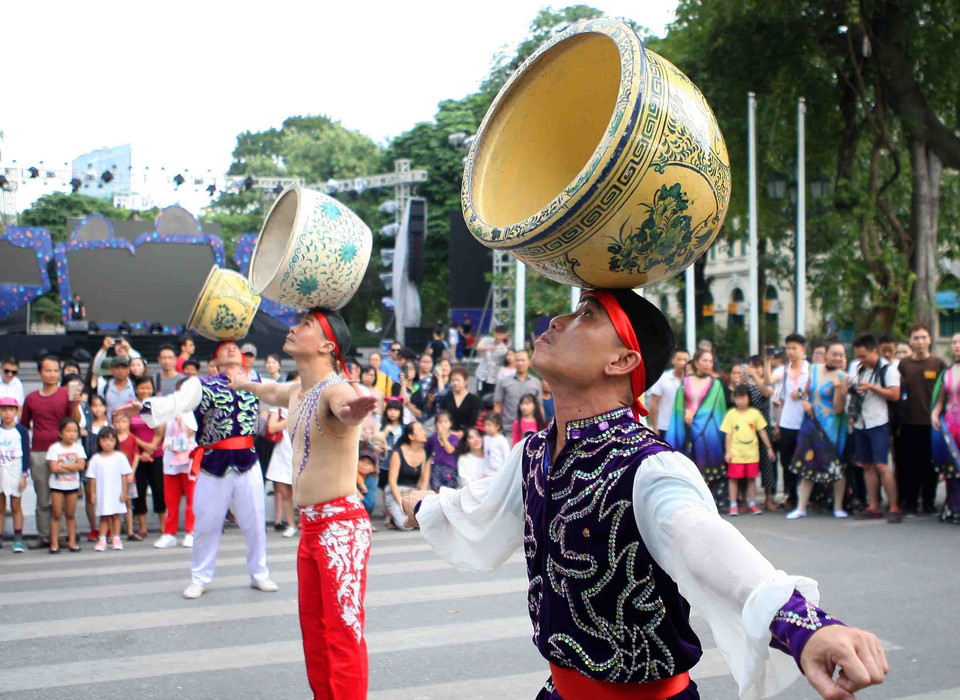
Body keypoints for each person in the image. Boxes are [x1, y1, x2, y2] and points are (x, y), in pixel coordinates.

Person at [403, 289, 888, 700]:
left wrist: (805, 625)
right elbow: (481, 506)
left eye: (587, 315)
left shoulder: (650, 467)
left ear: (622, 360)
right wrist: (420, 505)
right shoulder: (533, 452)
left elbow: (707, 544)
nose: (557, 319)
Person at [229, 308, 377, 698]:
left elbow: (344, 408)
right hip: (311, 527)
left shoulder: (335, 390)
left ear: (327, 345)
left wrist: (354, 410)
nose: (293, 328)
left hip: (341, 528)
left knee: (343, 632)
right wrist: (242, 381)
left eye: (305, 325)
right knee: (315, 631)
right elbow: (268, 391)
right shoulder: (298, 390)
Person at [118, 340, 277, 599]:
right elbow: (176, 403)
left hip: (248, 459)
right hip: (213, 460)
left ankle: (260, 573)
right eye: (225, 347)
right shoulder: (201, 384)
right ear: (215, 359)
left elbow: (279, 394)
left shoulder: (255, 380)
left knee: (256, 521)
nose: (231, 349)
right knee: (207, 522)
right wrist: (146, 407)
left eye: (235, 346)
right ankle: (200, 576)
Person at [20, 354, 82, 549]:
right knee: (43, 496)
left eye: (56, 370)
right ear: (40, 373)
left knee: (64, 494)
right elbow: (23, 426)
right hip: (38, 451)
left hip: (64, 450)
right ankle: (45, 536)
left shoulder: (66, 394)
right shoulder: (31, 399)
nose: (52, 374)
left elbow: (76, 421)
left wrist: (77, 404)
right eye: (48, 370)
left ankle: (62, 535)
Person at [786, 342, 850, 520]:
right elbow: (805, 393)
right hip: (813, 424)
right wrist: (804, 401)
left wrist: (838, 388)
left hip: (833, 426)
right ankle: (801, 507)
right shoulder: (814, 370)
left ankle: (838, 507)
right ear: (826, 354)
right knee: (809, 465)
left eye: (841, 355)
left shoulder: (844, 377)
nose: (837, 358)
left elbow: (838, 408)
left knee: (836, 466)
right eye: (834, 354)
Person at [849, 334, 902, 523]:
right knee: (867, 466)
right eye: (857, 356)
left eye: (863, 356)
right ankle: (873, 506)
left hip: (879, 422)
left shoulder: (888, 370)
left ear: (874, 351)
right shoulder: (861, 370)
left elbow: (895, 394)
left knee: (882, 465)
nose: (860, 360)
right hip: (861, 422)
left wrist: (872, 388)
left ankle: (894, 507)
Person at [666, 348, 727, 507]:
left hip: (709, 433)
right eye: (705, 360)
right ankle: (691, 502)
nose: (708, 364)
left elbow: (719, 413)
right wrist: (686, 413)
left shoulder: (716, 384)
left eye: (710, 361)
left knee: (708, 465)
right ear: (696, 362)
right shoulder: (686, 382)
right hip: (687, 429)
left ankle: (710, 502)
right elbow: (678, 407)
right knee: (690, 465)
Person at [897, 323, 946, 517]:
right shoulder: (904, 365)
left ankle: (928, 502)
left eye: (924, 337)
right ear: (910, 341)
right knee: (909, 465)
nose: (920, 342)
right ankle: (909, 502)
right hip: (908, 423)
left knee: (930, 466)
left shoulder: (938, 364)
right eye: (916, 338)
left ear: (930, 339)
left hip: (932, 424)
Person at [154, 379, 198, 549]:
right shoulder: (168, 409)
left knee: (191, 500)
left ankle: (191, 532)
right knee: (171, 501)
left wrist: (180, 415)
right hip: (170, 460)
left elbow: (191, 430)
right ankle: (169, 533)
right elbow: (159, 431)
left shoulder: (193, 410)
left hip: (189, 460)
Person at [721, 385, 775, 516]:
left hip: (752, 454)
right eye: (737, 398)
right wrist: (728, 452)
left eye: (742, 398)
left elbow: (762, 431)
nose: (740, 401)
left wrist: (769, 448)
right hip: (736, 454)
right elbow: (728, 434)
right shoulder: (730, 414)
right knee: (733, 479)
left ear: (748, 398)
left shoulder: (755, 413)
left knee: (752, 479)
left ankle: (752, 503)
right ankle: (733, 504)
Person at [773, 333, 811, 510]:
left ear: (803, 349)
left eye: (794, 348)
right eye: (788, 348)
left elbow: (815, 394)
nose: (790, 351)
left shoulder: (811, 370)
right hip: (787, 422)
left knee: (805, 460)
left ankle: (808, 497)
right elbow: (769, 383)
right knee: (786, 461)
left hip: (805, 422)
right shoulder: (783, 371)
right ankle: (791, 496)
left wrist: (802, 395)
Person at [129, 376, 165, 538]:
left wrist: (150, 448)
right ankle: (142, 527)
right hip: (137, 456)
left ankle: (164, 525)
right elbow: (125, 430)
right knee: (140, 491)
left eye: (148, 388)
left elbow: (161, 428)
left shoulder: (158, 405)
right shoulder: (129, 407)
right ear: (136, 389)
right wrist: (143, 447)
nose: (145, 391)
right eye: (142, 388)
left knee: (159, 490)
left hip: (157, 453)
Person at [86, 427, 132, 552]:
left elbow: (124, 475)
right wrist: (92, 493)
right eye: (105, 440)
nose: (108, 443)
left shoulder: (120, 457)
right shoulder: (96, 459)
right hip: (102, 492)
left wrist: (124, 492)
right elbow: (92, 477)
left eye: (111, 440)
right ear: (99, 442)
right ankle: (102, 539)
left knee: (116, 515)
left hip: (116, 491)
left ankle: (116, 538)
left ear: (115, 442)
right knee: (104, 516)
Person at [930, 331, 960, 525]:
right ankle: (952, 507)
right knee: (951, 468)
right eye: (954, 342)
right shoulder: (947, 372)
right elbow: (940, 400)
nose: (957, 345)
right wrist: (934, 414)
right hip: (951, 425)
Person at [46, 417, 86, 553]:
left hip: (72, 486)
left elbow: (81, 466)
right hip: (57, 485)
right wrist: (71, 467)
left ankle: (72, 542)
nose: (71, 434)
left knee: (70, 514)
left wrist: (63, 465)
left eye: (75, 431)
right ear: (60, 433)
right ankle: (54, 543)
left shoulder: (78, 448)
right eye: (68, 431)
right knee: (56, 513)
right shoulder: (54, 448)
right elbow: (53, 468)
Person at [387, 421, 431, 531]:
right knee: (405, 525)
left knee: (427, 522)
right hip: (397, 493)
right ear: (411, 436)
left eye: (423, 430)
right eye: (420, 430)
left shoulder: (426, 453)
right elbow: (392, 481)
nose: (424, 432)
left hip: (413, 492)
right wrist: (401, 502)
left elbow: (424, 482)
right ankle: (393, 516)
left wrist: (421, 500)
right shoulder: (398, 453)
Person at [0, 396, 29, 553]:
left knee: (16, 505)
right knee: (1, 506)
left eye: (11, 410)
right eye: (4, 410)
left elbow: (26, 453)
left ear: (16, 411)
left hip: (15, 470)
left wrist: (24, 474)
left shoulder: (21, 431)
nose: (7, 413)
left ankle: (18, 539)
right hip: (1, 470)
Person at [265, 404, 297, 538]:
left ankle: (309, 524)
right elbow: (272, 428)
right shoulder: (277, 408)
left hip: (302, 451)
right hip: (282, 452)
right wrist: (290, 418)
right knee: (284, 492)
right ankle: (291, 525)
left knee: (306, 493)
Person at [493, 349, 542, 435]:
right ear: (513, 362)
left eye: (522, 360)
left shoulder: (536, 383)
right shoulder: (504, 382)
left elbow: (539, 406)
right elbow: (498, 406)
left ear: (529, 362)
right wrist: (497, 427)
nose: (520, 363)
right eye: (517, 360)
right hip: (508, 429)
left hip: (532, 430)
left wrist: (542, 426)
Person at [646, 348, 688, 439]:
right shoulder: (663, 378)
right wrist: (654, 427)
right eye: (679, 359)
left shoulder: (691, 380)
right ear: (673, 360)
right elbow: (654, 403)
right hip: (664, 426)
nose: (682, 363)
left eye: (685, 360)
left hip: (684, 426)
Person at [112, 411, 140, 539]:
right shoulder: (112, 438)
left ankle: (130, 531)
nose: (120, 425)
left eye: (123, 422)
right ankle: (112, 532)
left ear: (128, 423)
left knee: (128, 503)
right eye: (117, 422)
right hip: (114, 476)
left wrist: (132, 471)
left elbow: (136, 455)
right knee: (114, 503)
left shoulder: (132, 438)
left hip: (128, 476)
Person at [439, 365, 480, 434]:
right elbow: (443, 417)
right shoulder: (446, 399)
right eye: (452, 380)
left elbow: (473, 421)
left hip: (467, 434)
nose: (455, 383)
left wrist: (462, 432)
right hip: (448, 433)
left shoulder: (473, 399)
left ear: (466, 381)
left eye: (458, 380)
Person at [426, 411, 459, 490]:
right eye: (440, 422)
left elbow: (450, 450)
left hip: (449, 468)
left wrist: (443, 437)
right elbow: (426, 446)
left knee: (450, 489)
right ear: (436, 424)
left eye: (445, 421)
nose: (443, 424)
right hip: (436, 466)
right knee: (436, 488)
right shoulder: (433, 437)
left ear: (450, 423)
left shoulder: (453, 437)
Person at [475, 325, 509, 395]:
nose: (499, 337)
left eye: (501, 335)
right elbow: (478, 347)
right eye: (497, 334)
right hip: (482, 374)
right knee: (480, 395)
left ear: (505, 336)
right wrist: (488, 347)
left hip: (494, 378)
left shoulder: (504, 349)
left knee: (491, 398)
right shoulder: (487, 340)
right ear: (494, 333)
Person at [101, 355, 135, 421]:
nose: (120, 371)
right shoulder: (105, 387)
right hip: (110, 427)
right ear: (111, 370)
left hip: (130, 427)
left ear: (128, 369)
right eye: (117, 368)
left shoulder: (134, 387)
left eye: (123, 368)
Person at [481, 412, 510, 478]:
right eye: (485, 425)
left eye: (489, 425)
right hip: (487, 471)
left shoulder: (502, 440)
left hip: (498, 472)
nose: (486, 427)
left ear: (497, 426)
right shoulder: (485, 438)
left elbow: (506, 456)